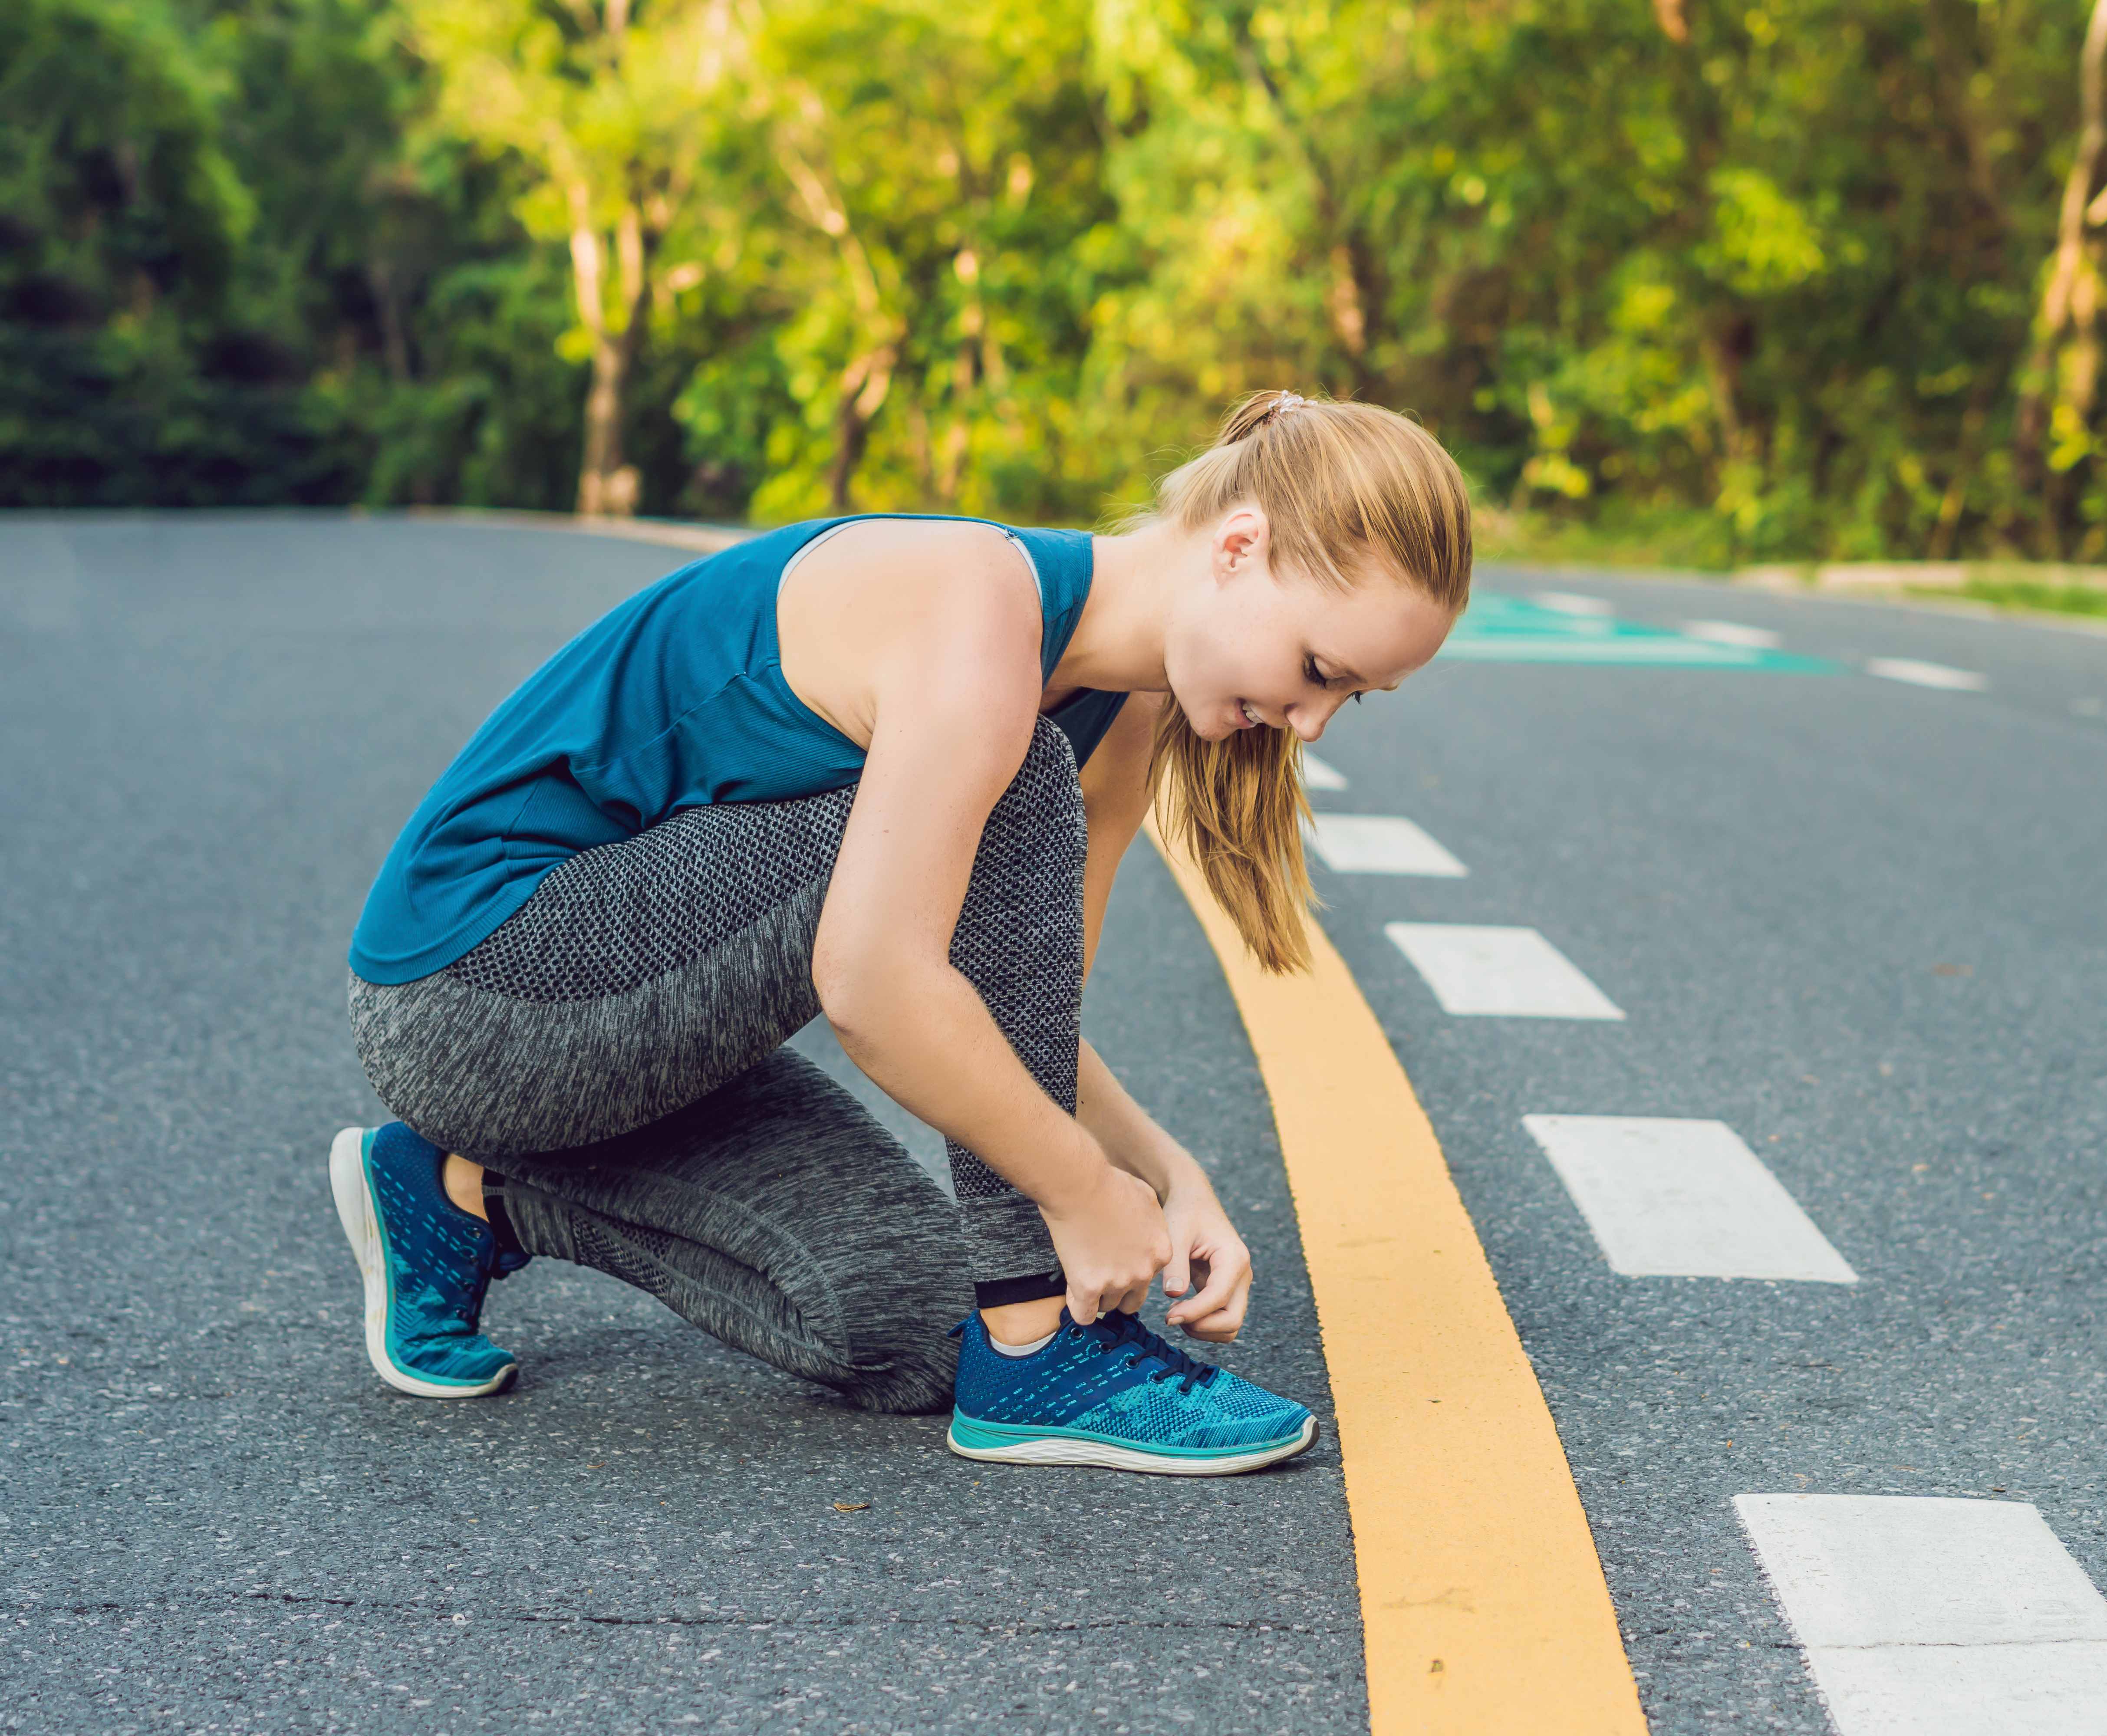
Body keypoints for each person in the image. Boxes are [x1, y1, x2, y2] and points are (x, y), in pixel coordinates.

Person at [330, 390, 1471, 1476]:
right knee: (1015, 775)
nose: (1312, 723)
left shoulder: (1122, 721)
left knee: (916, 1327)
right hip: (479, 985)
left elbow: (1012, 1022)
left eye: (1350, 698)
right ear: (1236, 547)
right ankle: (1041, 1358)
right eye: (1319, 669)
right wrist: (1078, 1194)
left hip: (618, 1027)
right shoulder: (978, 620)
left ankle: (459, 1189)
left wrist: (1164, 1180)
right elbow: (876, 985)